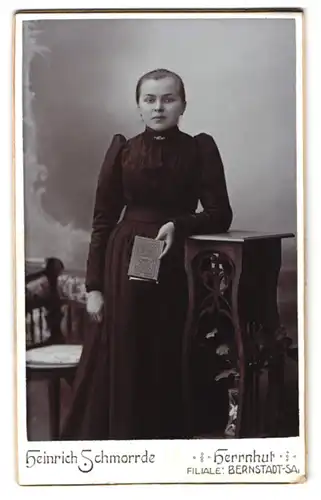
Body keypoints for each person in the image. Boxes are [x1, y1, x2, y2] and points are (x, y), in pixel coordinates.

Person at [61, 68, 233, 440]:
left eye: (168, 99)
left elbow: (221, 213)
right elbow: (103, 221)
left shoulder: (198, 148)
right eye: (150, 99)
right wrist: (94, 286)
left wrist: (180, 224)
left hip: (177, 260)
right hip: (128, 257)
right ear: (139, 106)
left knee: (167, 349)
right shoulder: (124, 150)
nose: (159, 107)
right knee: (128, 347)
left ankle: (165, 444)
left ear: (183, 104)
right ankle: (125, 442)